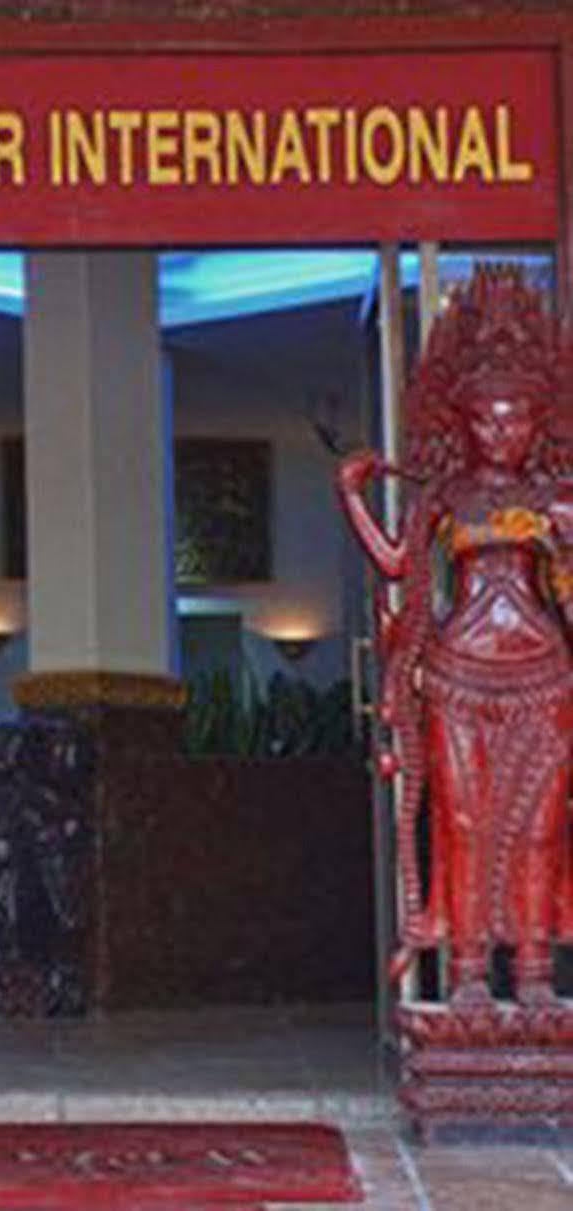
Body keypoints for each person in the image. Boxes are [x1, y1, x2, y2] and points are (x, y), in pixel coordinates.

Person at [337, 265, 571, 1008]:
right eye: (486, 419)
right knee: (463, 822)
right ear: (460, 423)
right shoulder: (444, 495)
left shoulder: (555, 497)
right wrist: (352, 496)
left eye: (515, 418)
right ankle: (468, 970)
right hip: (455, 675)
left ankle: (533, 973)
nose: (501, 433)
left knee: (538, 826)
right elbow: (398, 565)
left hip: (542, 675)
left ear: (539, 422)